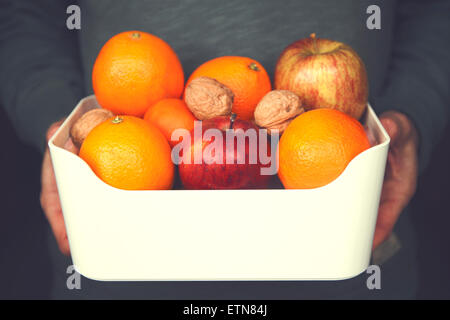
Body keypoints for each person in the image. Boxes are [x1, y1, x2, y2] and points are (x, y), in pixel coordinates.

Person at [0, 0, 449, 299]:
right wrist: (53, 120)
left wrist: (413, 111)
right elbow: (23, 14)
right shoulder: (133, 128)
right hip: (121, 261)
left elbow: (435, 14)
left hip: (346, 256)